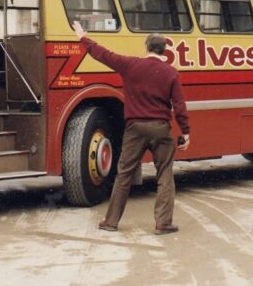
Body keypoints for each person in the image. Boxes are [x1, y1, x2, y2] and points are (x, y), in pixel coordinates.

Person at [72, 20, 190, 235]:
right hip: (160, 128)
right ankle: (163, 223)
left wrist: (83, 37)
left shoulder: (131, 65)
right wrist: (186, 131)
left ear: (146, 48)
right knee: (164, 175)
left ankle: (111, 221)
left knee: (124, 174)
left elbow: (102, 54)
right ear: (164, 51)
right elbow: (179, 105)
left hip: (134, 128)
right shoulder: (171, 73)